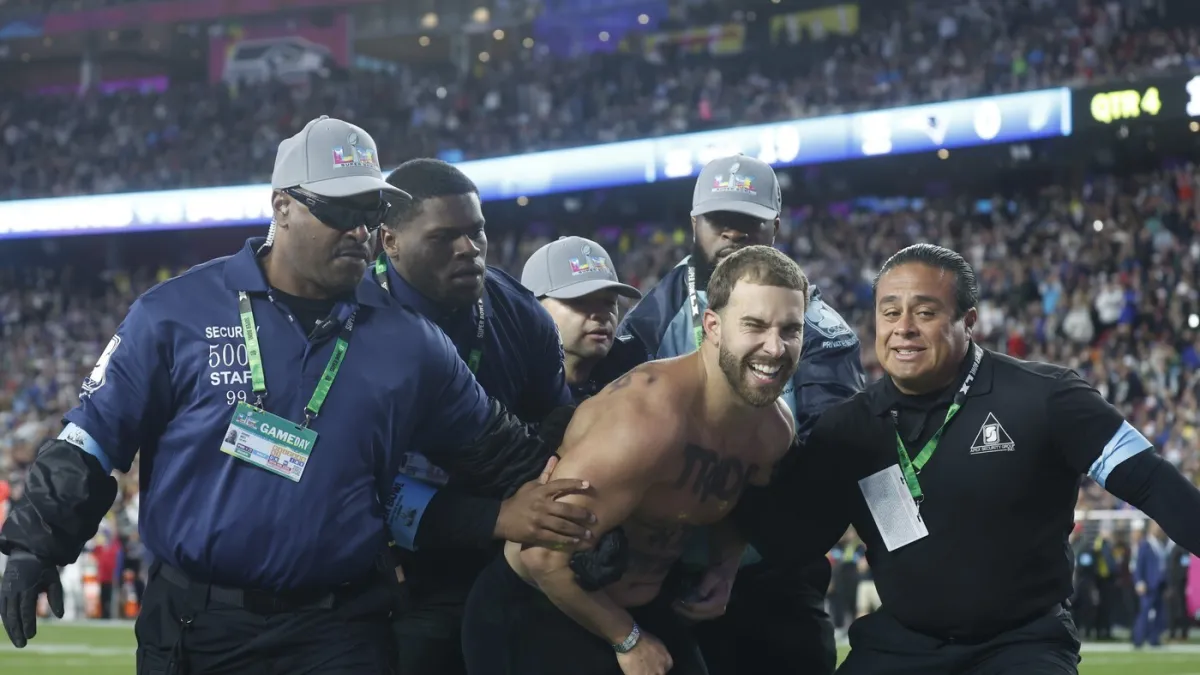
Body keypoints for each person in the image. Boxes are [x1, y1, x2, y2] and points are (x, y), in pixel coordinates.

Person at [0, 116, 562, 674]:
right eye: (339, 211)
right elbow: (92, 441)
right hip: (196, 627)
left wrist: (588, 516)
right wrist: (35, 545)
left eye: (370, 213)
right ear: (282, 206)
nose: (359, 232)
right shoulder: (175, 314)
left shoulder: (410, 342)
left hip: (341, 631)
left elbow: (499, 450)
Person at [736, 243, 1200, 675]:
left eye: (925, 312)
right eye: (890, 312)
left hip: (1022, 644)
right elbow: (791, 541)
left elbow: (1152, 484)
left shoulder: (1048, 397)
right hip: (901, 645)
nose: (904, 328)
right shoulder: (846, 429)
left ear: (969, 320)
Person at [461, 245, 809, 675]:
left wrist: (725, 566)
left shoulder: (773, 432)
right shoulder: (645, 419)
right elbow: (540, 557)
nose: (775, 348)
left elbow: (737, 497)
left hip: (642, 604)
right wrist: (627, 639)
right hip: (535, 606)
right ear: (713, 327)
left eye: (791, 329)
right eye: (754, 325)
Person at [607, 154, 864, 675]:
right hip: (664, 574)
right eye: (718, 219)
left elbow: (823, 469)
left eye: (748, 220)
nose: (732, 231)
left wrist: (736, 549)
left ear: (775, 224)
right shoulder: (651, 320)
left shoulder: (820, 331)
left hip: (774, 578)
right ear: (693, 224)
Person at [374, 158, 593, 675]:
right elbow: (346, 477)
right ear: (390, 242)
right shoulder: (353, 319)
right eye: (444, 236)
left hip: (510, 557)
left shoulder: (519, 313)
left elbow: (556, 434)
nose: (468, 249)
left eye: (476, 232)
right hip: (398, 570)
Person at [521, 236, 643, 402]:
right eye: (579, 301)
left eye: (608, 302)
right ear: (533, 309)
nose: (601, 314)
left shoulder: (634, 373)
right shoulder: (508, 383)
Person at [1133, 521, 1169, 649]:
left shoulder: (1160, 544)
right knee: (1144, 612)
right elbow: (1139, 565)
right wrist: (1139, 581)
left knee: (1159, 612)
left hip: (1159, 583)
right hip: (1148, 584)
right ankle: (1138, 639)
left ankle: (1154, 638)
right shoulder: (1145, 544)